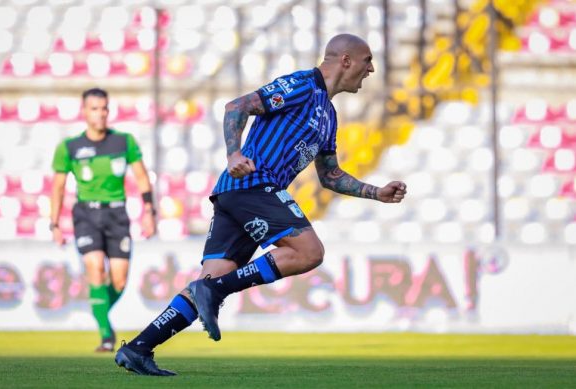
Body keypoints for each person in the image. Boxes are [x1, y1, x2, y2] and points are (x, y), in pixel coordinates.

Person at [114, 33, 407, 376]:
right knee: (309, 252)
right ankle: (213, 290)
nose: (371, 68)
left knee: (211, 277)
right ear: (345, 61)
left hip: (238, 195)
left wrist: (377, 192)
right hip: (252, 184)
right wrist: (233, 153)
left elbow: (329, 176)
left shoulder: (327, 114)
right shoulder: (301, 85)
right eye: (367, 60)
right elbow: (236, 106)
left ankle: (139, 348)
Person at [50, 87, 157, 352]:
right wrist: (54, 223)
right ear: (84, 111)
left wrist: (148, 212)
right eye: (95, 108)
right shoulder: (69, 147)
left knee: (119, 281)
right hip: (86, 214)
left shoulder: (124, 142)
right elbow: (58, 188)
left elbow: (142, 178)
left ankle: (99, 308)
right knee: (95, 269)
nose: (101, 113)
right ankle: (106, 334)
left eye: (104, 108)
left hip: (117, 214)